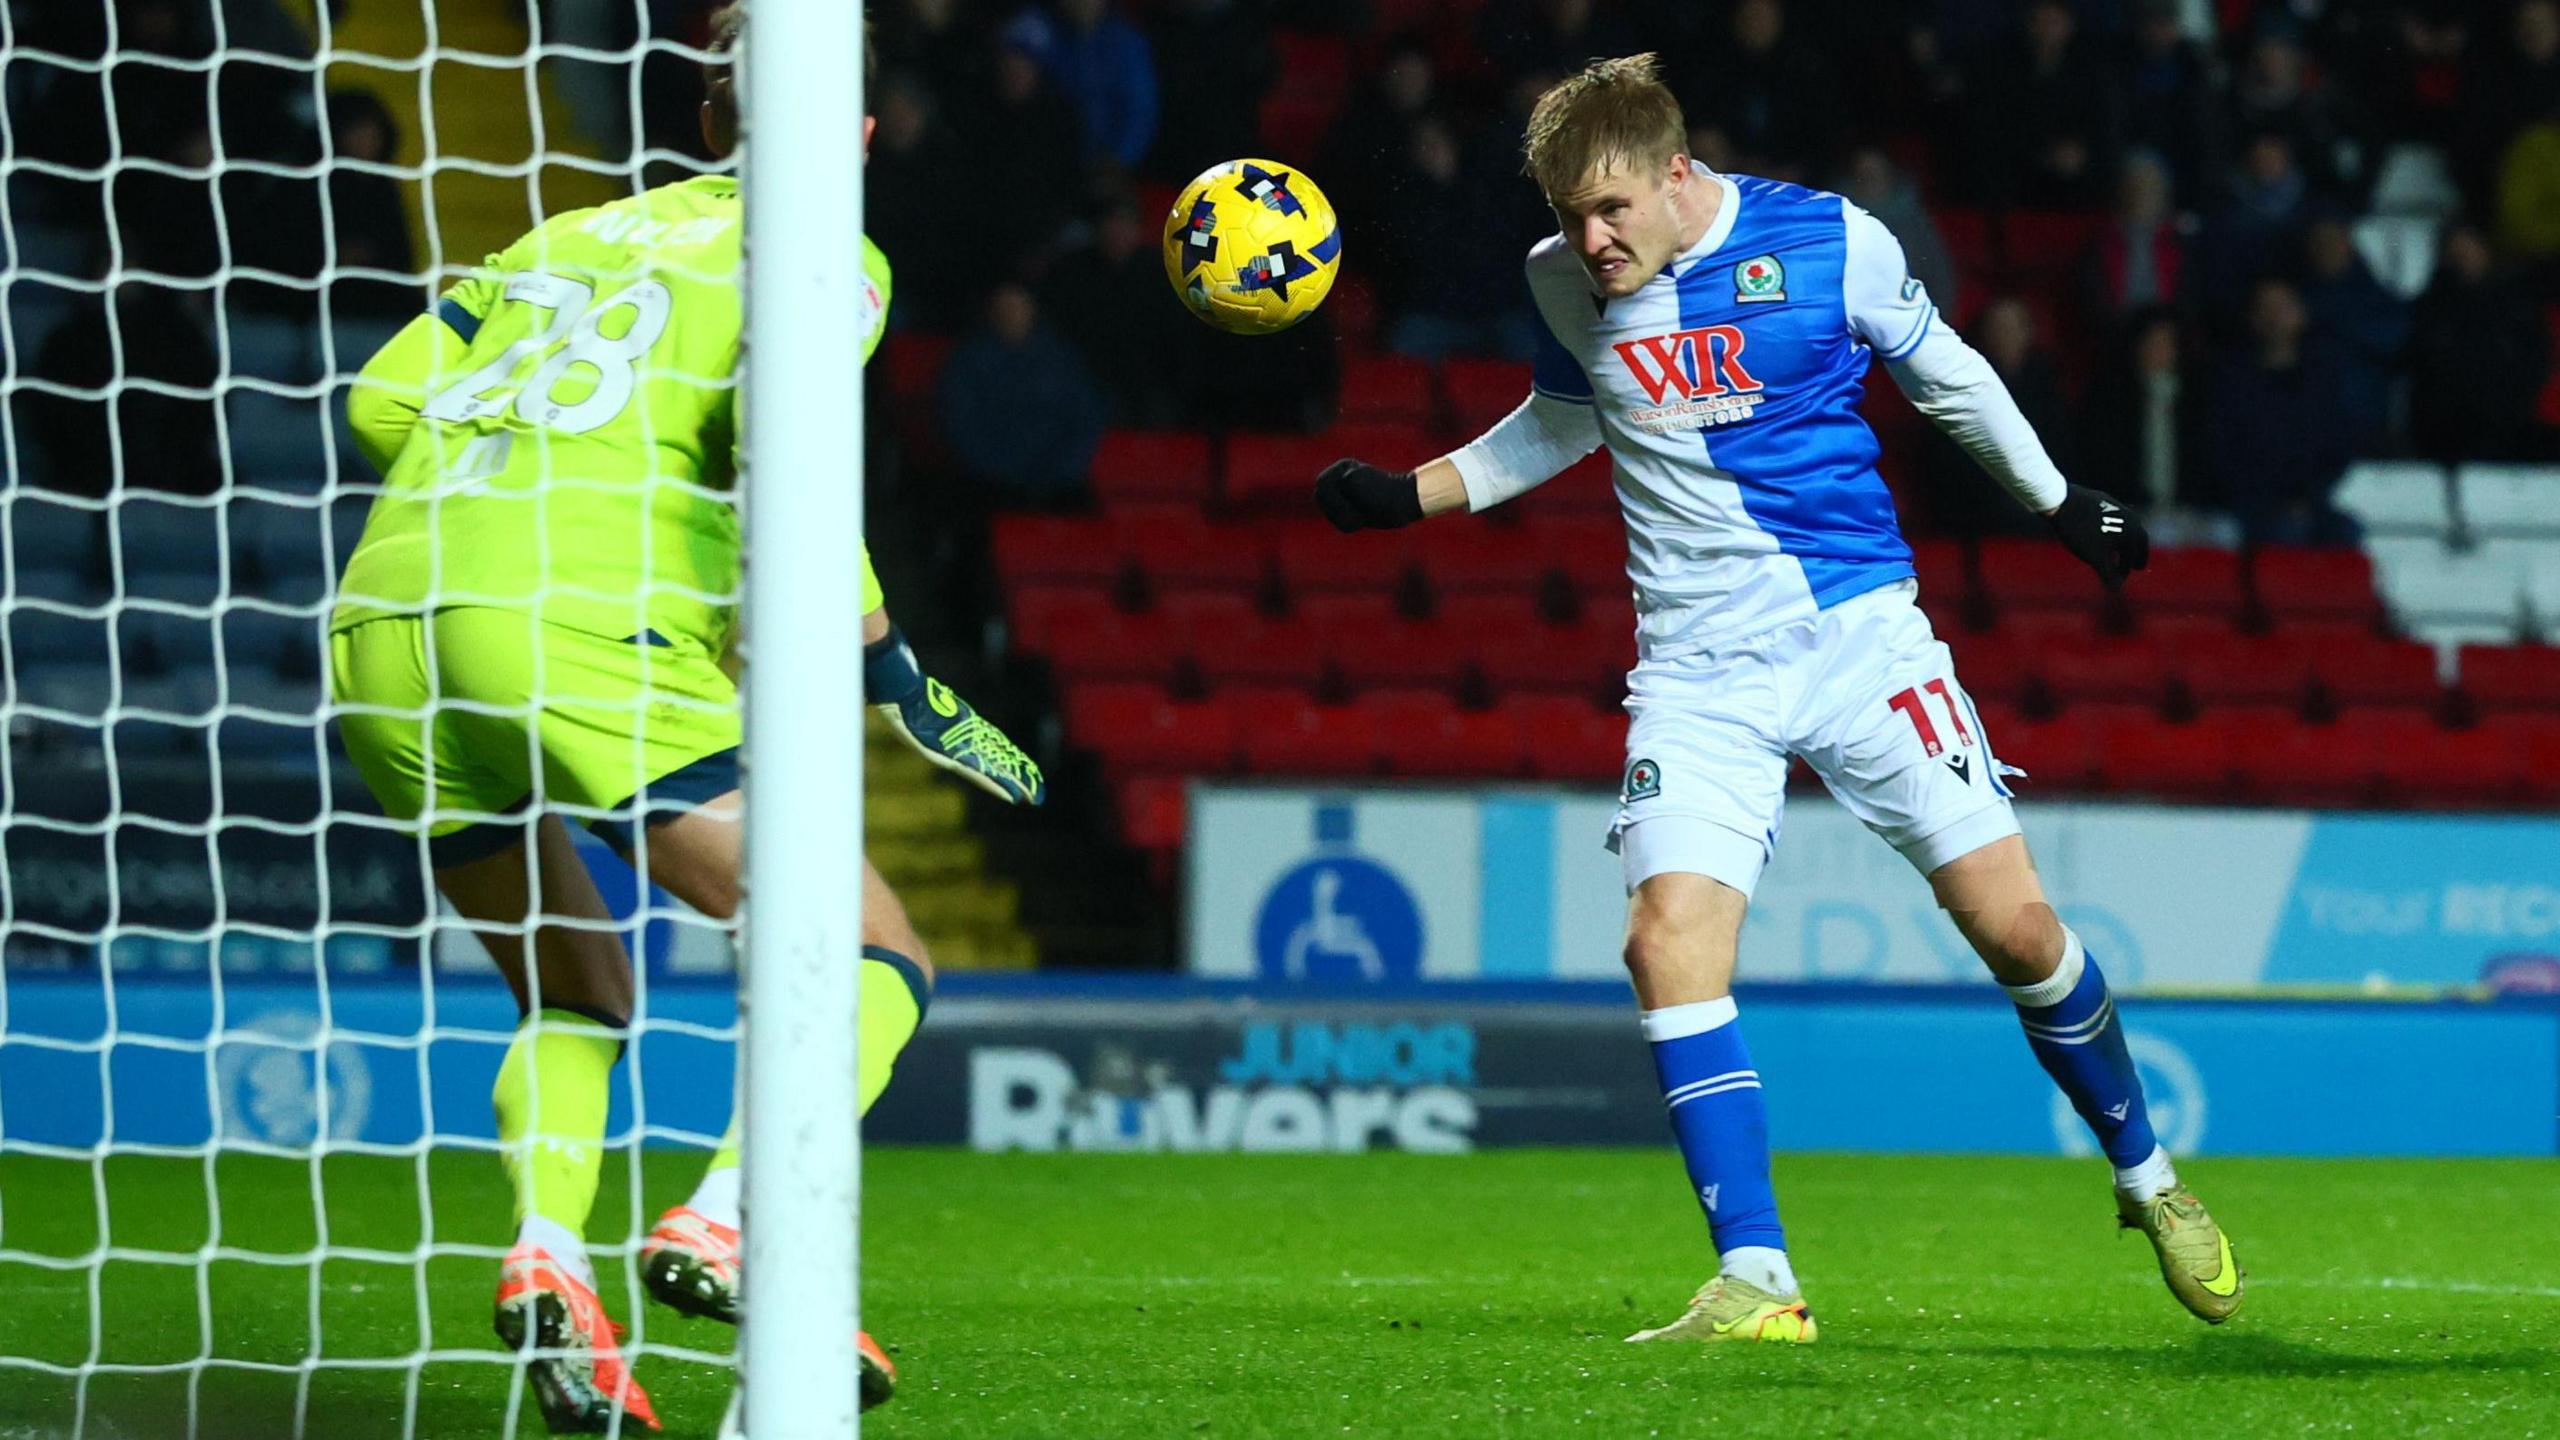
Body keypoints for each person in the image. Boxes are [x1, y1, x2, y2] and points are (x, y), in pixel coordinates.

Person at [1307, 54, 2239, 1346]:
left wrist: (2059, 503)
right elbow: (1562, 421)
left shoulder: (1831, 242)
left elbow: (1949, 372)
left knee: (2017, 932)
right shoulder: (1561, 277)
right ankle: (1758, 1279)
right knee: (1664, 942)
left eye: (1614, 210)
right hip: (1696, 673)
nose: (1592, 240)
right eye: (1572, 214)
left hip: (1861, 644)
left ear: (1679, 174)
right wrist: (1411, 494)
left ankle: (2148, 1178)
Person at [329, 7, 1044, 1428]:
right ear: (853, 137)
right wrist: (891, 667)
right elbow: (785, 441)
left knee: (571, 989)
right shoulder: (827, 254)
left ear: (710, 127)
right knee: (871, 948)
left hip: (384, 628)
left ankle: (547, 1261)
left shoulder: (562, 239)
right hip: (578, 624)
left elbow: (376, 400)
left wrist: (510, 484)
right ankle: (726, 1220)